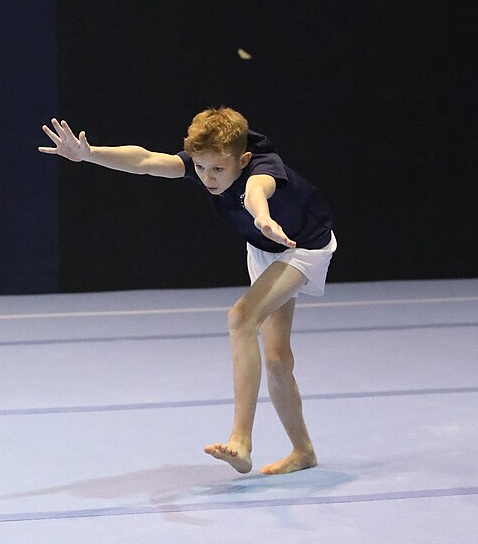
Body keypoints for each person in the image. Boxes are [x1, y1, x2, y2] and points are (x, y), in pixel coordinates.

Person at [39, 107, 336, 475]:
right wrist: (90, 154)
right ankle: (303, 451)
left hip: (302, 245)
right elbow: (147, 160)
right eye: (200, 168)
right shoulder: (208, 165)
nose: (208, 178)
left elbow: (260, 191)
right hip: (266, 248)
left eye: (217, 170)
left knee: (241, 318)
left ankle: (241, 440)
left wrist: (261, 216)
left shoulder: (262, 169)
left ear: (242, 159)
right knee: (277, 360)